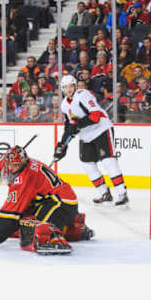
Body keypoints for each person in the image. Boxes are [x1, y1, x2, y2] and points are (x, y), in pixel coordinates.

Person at [0, 145, 94, 255]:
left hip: (61, 203)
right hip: (45, 200)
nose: (10, 168)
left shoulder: (24, 178)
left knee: (36, 233)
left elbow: (11, 213)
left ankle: (61, 234)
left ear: (23, 163)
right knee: (23, 226)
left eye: (15, 165)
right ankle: (74, 225)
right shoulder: (8, 161)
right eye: (8, 164)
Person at [54, 75, 128, 206]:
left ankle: (122, 193)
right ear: (62, 89)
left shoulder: (83, 95)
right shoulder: (65, 105)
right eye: (65, 87)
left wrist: (78, 125)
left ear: (75, 86)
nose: (68, 89)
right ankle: (104, 193)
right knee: (87, 164)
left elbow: (96, 116)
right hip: (86, 136)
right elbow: (69, 126)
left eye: (71, 86)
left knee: (108, 161)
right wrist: (62, 144)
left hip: (101, 130)